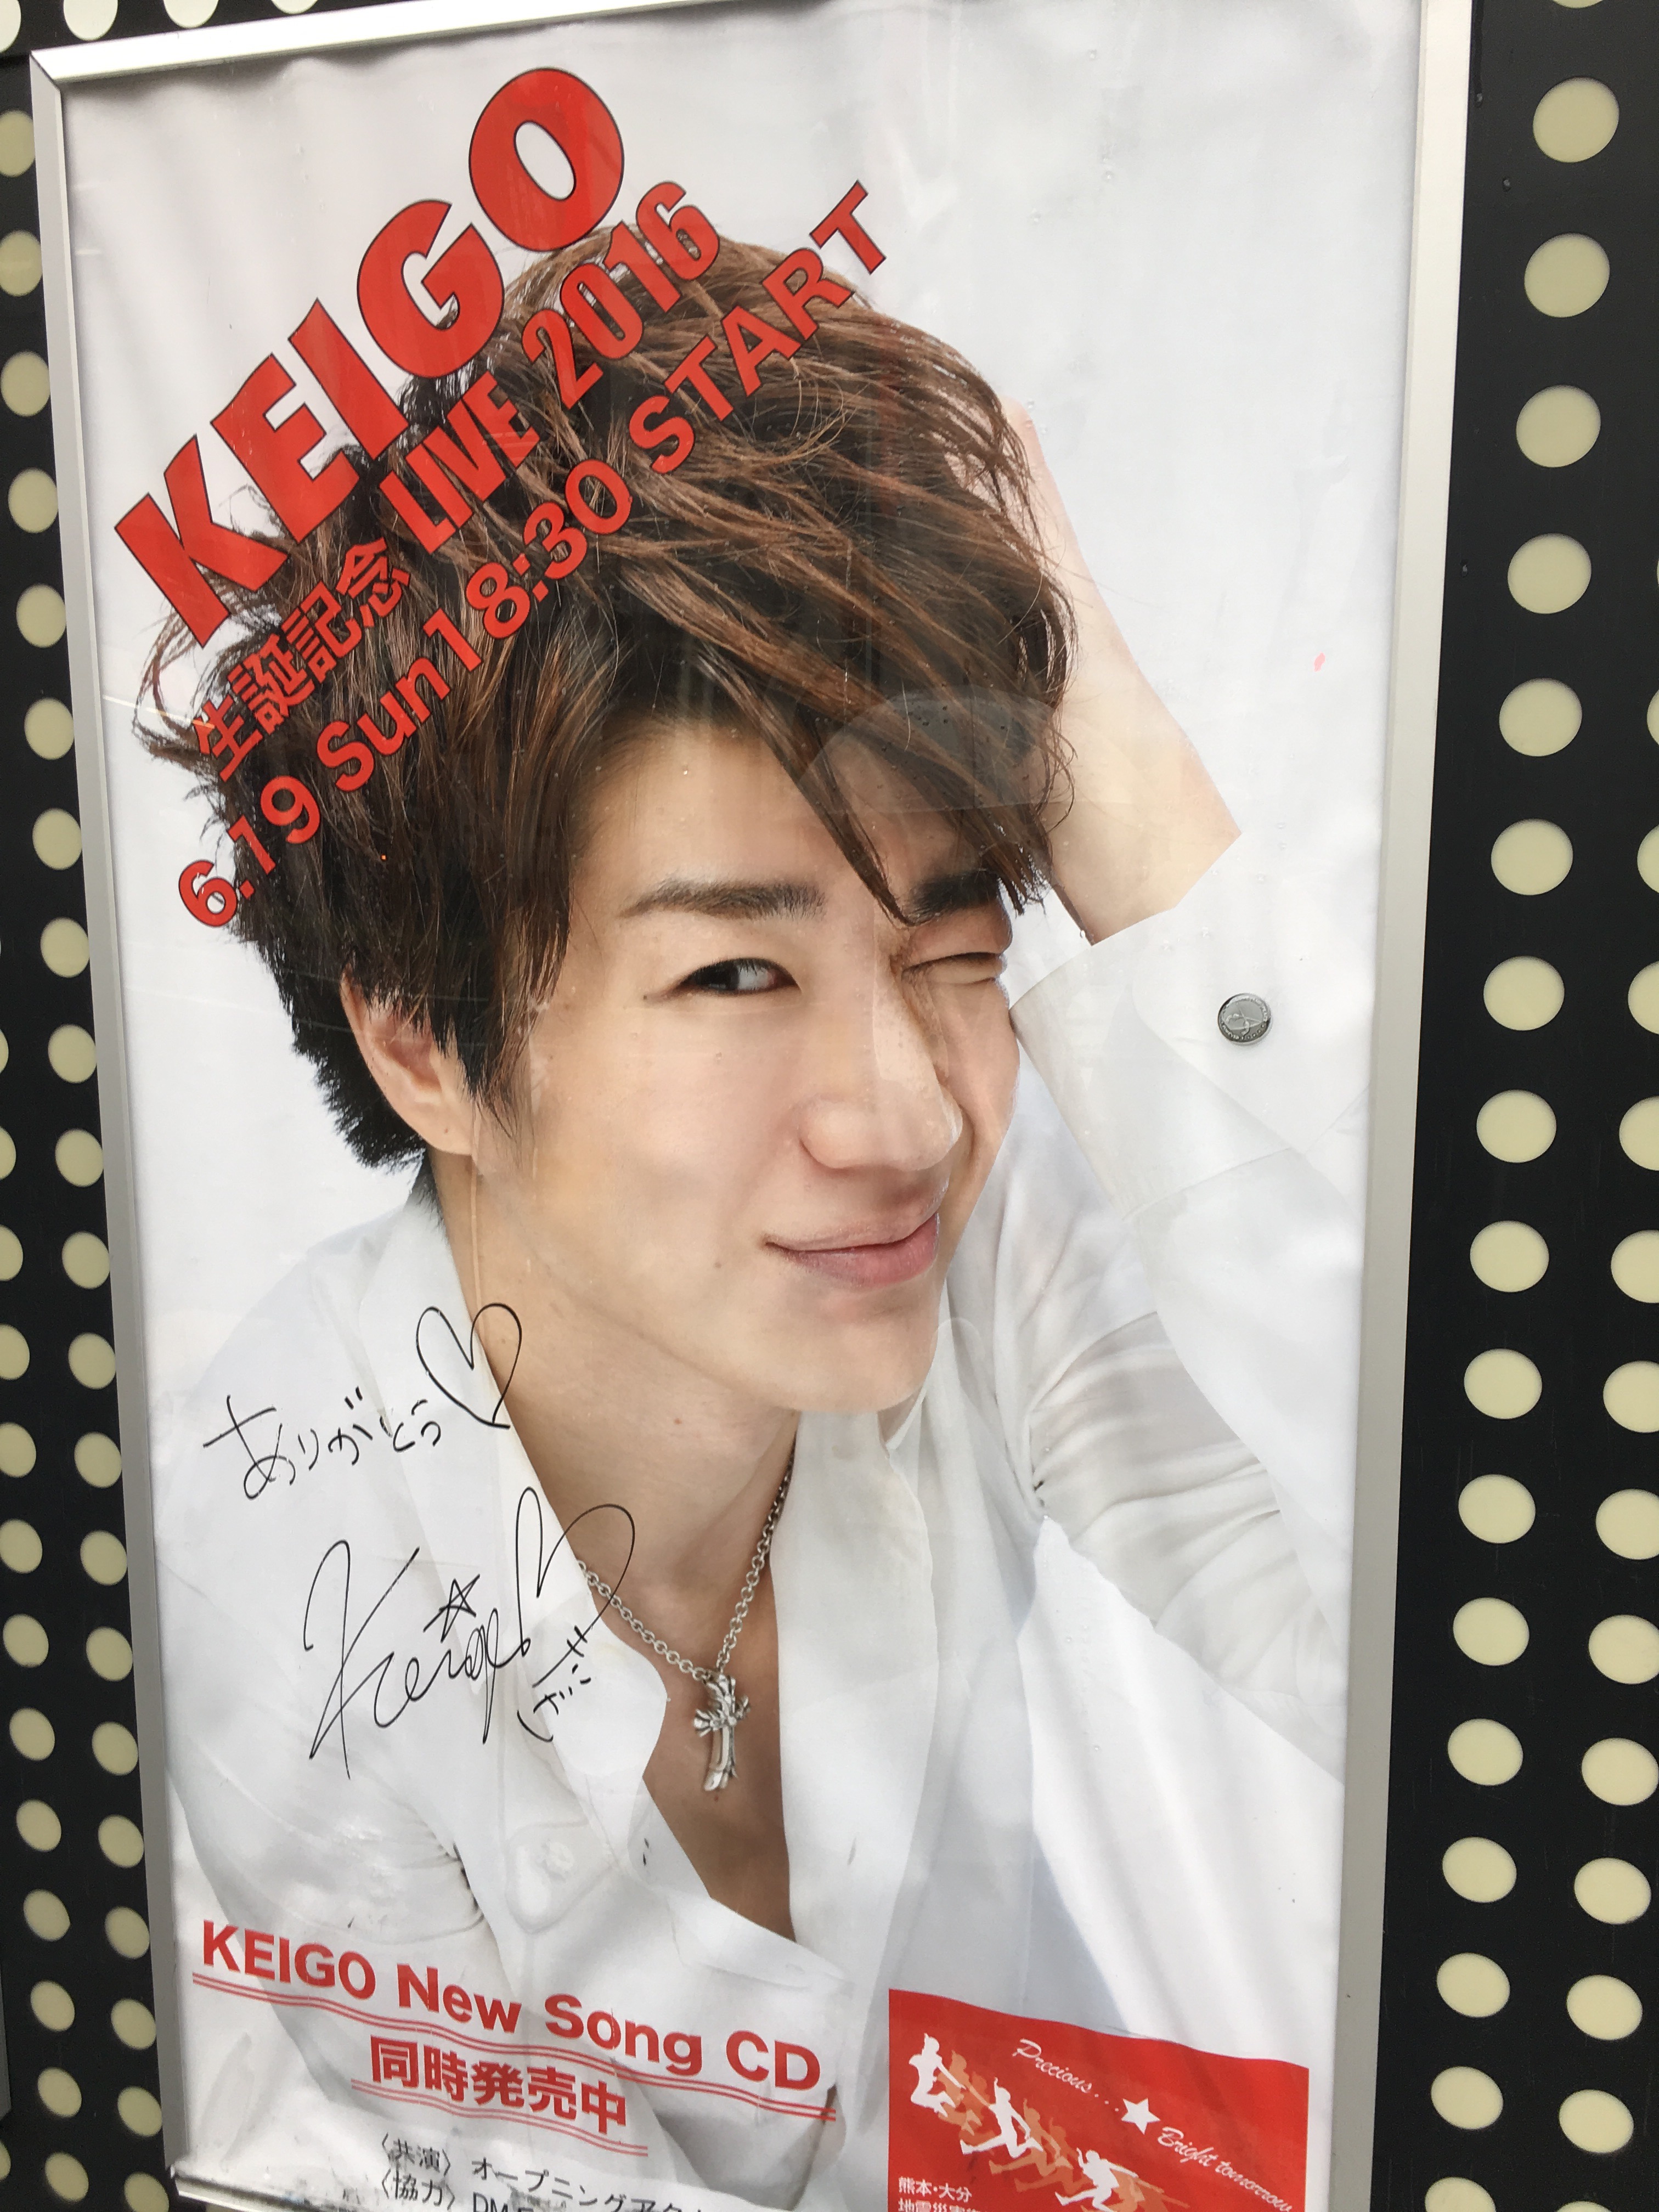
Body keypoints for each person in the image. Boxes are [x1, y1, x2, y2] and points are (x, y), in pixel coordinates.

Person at [145, 234, 1362, 2211]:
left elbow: (1457, 1632)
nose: (904, 1121)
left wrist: (1131, 799)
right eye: (735, 974)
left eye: (951, 944)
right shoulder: (274, 1586)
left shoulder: (974, 1231)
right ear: (422, 1040)